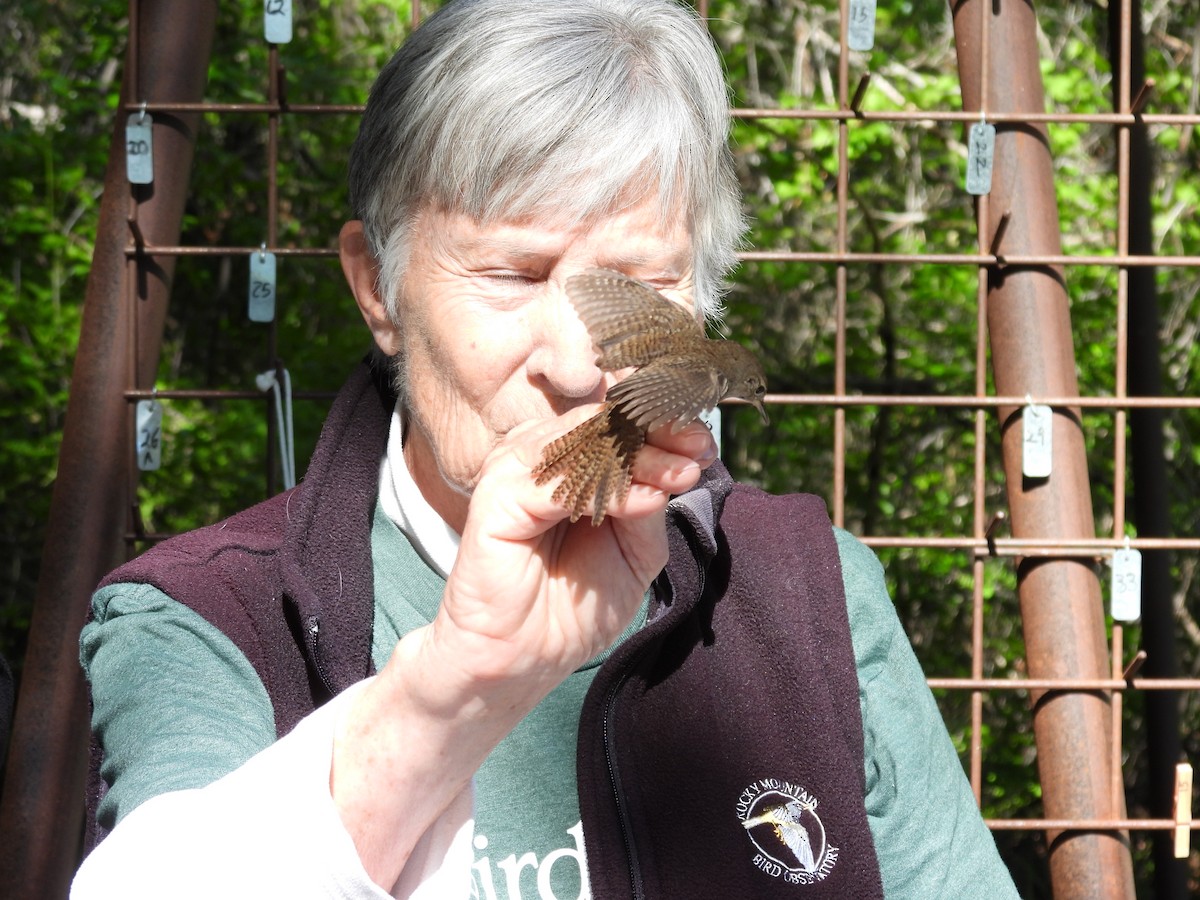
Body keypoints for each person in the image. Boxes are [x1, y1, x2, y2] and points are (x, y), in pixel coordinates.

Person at [73, 1, 1020, 897]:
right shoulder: (204, 621)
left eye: (644, 281)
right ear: (377, 290)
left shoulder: (811, 591)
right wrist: (457, 685)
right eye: (511, 275)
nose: (579, 365)